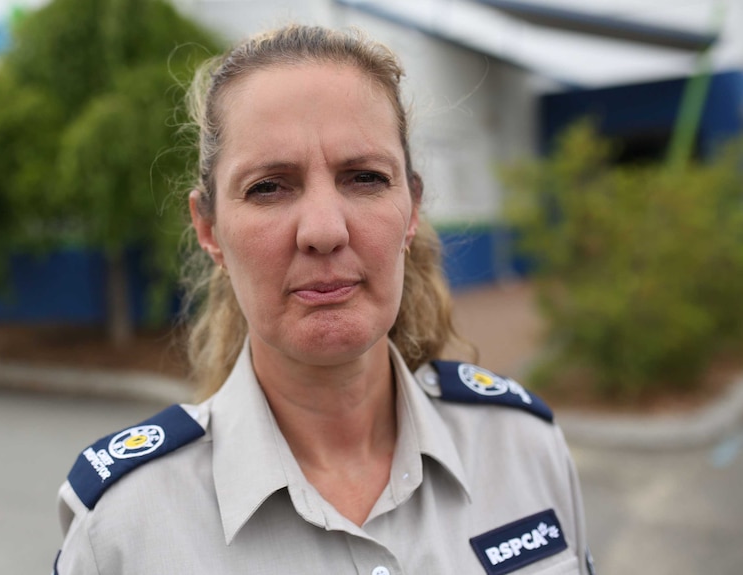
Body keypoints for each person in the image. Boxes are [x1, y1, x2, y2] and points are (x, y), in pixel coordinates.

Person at [53, 24, 594, 575]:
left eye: (364, 177)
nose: (324, 230)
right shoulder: (123, 531)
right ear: (209, 229)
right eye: (269, 186)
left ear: (411, 210)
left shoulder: (524, 449)